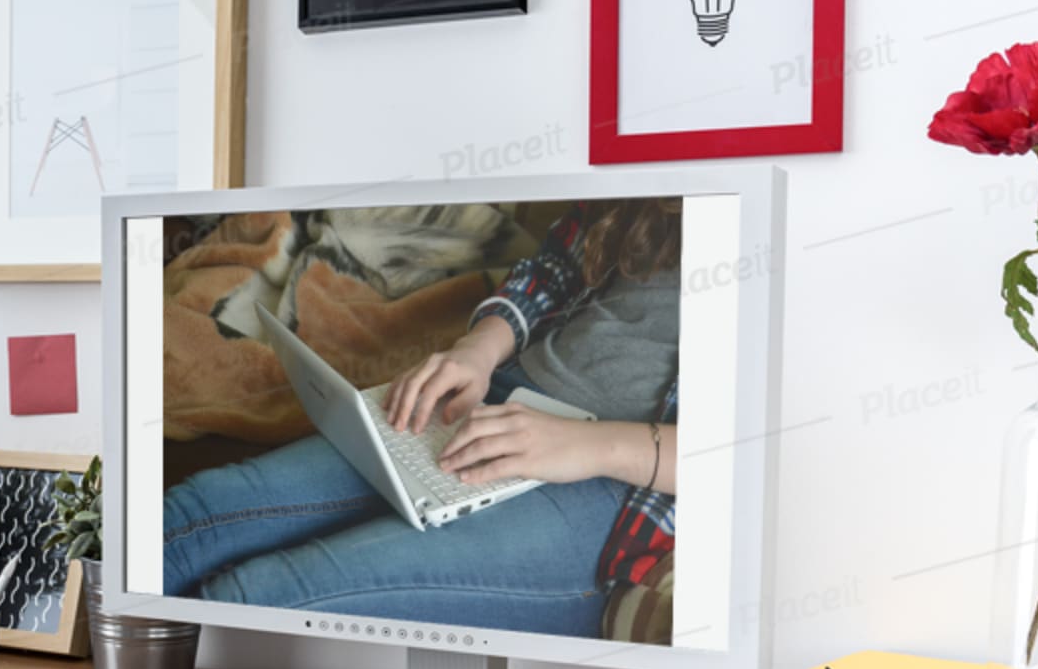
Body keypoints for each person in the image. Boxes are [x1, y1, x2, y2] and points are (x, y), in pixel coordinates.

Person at [161, 199, 681, 640]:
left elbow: (757, 456)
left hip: (613, 483)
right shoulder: (645, 181)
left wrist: (590, 446)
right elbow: (558, 266)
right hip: (499, 401)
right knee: (188, 516)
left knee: (252, 599)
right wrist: (477, 348)